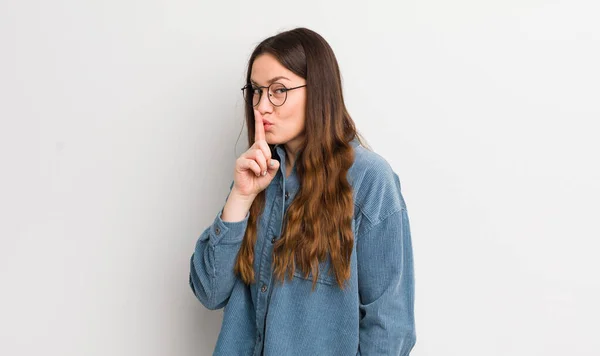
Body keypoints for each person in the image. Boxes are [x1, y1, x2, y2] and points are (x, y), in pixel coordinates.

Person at [189, 27, 416, 356]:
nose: (262, 106)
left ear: (319, 91)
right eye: (256, 91)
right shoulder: (256, 174)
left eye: (278, 90)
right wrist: (240, 197)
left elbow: (390, 327)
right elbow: (210, 291)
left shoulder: (369, 180)